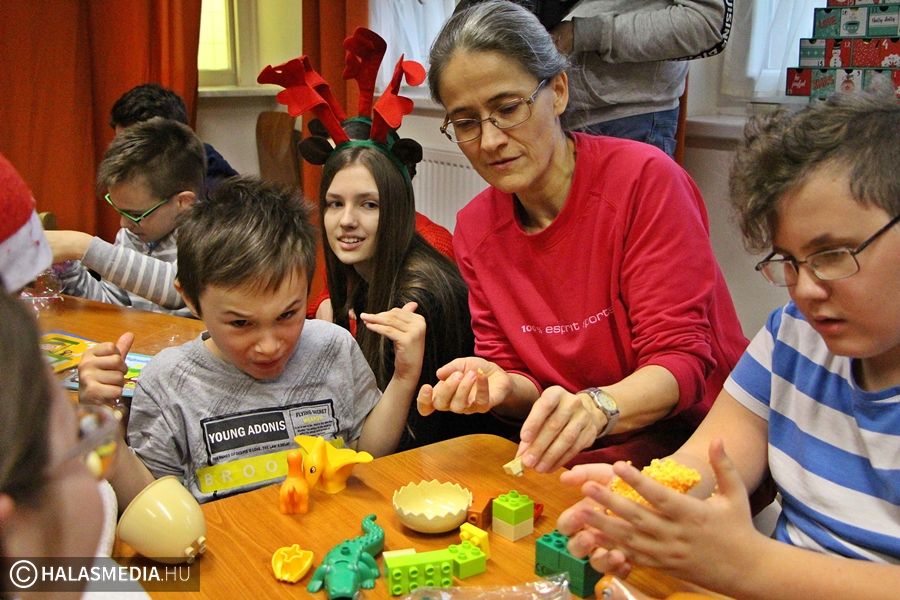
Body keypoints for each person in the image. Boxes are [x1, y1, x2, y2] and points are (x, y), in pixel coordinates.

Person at [556, 92, 900, 599]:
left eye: (832, 254)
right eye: (789, 261)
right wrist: (645, 502)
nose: (805, 289)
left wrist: (751, 566)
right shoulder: (793, 335)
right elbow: (711, 457)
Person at [419, 1, 748, 473]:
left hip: (687, 454)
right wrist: (500, 385)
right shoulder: (475, 230)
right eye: (467, 122)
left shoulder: (644, 182)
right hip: (574, 459)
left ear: (558, 91)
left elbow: (681, 363)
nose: (490, 141)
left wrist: (596, 408)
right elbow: (521, 379)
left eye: (508, 109)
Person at [126, 176, 426, 503]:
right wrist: (110, 448)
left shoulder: (333, 348)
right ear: (190, 299)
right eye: (241, 323)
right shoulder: (168, 383)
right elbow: (153, 507)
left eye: (287, 315)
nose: (269, 346)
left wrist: (403, 378)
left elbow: (366, 453)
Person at [316, 140, 515, 451]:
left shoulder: (416, 297)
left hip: (457, 459)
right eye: (335, 203)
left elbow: (415, 434)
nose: (347, 220)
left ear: (398, 210)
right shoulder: (367, 272)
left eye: (369, 204)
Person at [45, 117, 204, 316]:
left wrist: (81, 246)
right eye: (120, 211)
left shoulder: (210, 236)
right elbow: (112, 303)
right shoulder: (131, 235)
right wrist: (67, 269)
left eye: (136, 214)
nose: (124, 223)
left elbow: (176, 290)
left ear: (183, 202)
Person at [110, 82, 238, 187]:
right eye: (120, 147)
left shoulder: (213, 197)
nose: (123, 158)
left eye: (132, 148)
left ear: (171, 142)